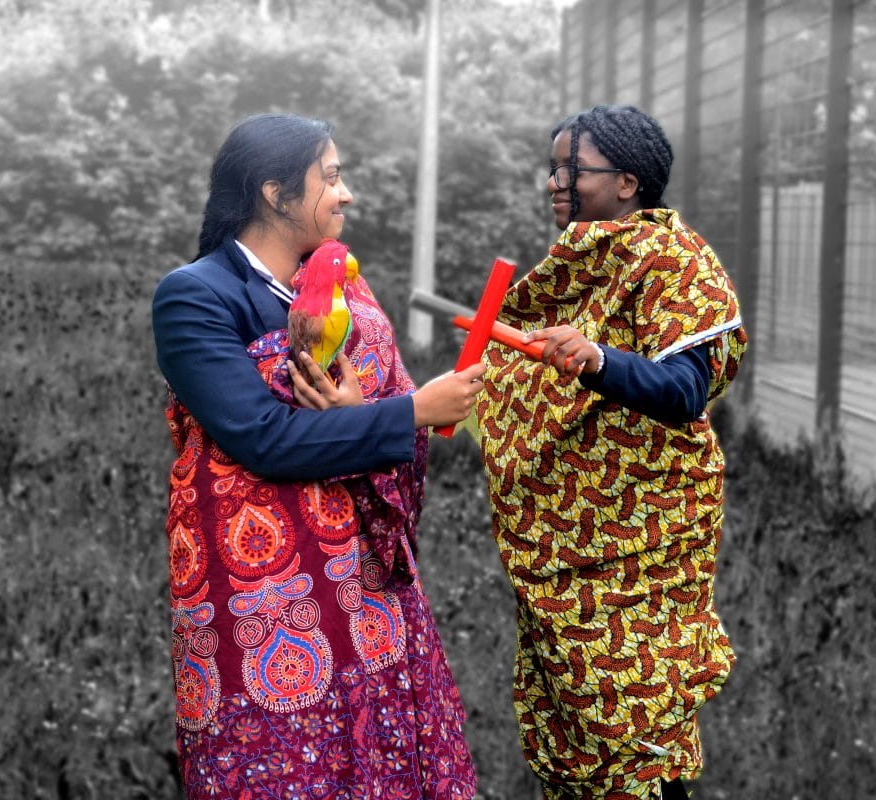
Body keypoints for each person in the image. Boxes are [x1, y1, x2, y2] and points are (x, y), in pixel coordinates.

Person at [151, 112, 482, 800]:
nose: (346, 193)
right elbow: (261, 438)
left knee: (373, 757)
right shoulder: (196, 296)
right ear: (275, 192)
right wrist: (412, 412)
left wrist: (371, 414)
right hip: (264, 603)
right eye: (330, 177)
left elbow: (355, 414)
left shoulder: (339, 289)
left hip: (363, 587)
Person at [474, 104, 747, 800]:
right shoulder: (579, 260)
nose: (554, 183)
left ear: (627, 182)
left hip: (636, 543)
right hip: (561, 545)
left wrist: (598, 358)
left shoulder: (677, 263)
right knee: (572, 727)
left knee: (635, 732)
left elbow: (687, 389)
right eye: (553, 167)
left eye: (572, 169)